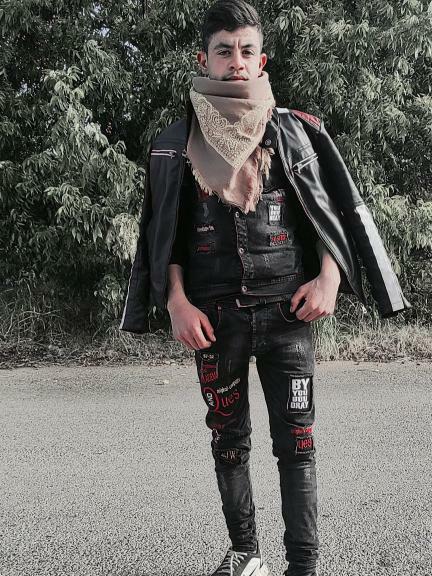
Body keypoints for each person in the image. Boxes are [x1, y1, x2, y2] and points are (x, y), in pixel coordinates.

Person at [119, 2, 411, 575]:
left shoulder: (297, 131)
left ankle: (303, 565)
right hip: (212, 320)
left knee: (297, 443)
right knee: (229, 442)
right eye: (223, 50)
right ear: (203, 59)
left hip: (288, 317)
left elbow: (328, 214)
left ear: (261, 61)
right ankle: (246, 554)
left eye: (246, 50)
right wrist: (175, 301)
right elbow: (164, 234)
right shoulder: (174, 142)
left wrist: (329, 277)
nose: (236, 61)